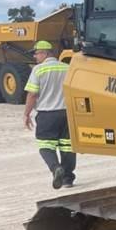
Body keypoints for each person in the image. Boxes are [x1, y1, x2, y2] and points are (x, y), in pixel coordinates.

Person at [23, 40, 76, 188]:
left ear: (45, 53)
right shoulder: (66, 68)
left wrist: (26, 114)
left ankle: (55, 168)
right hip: (67, 114)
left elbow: (32, 94)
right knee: (67, 146)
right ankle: (67, 179)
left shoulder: (38, 70)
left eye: (36, 53)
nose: (35, 56)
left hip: (47, 114)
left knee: (45, 145)